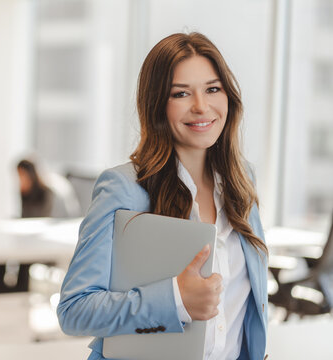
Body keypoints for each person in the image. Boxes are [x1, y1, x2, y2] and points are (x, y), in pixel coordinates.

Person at [57, 32, 268, 360]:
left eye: (213, 89)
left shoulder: (243, 180)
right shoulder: (124, 187)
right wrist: (175, 299)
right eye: (181, 93)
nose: (201, 106)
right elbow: (74, 309)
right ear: (157, 105)